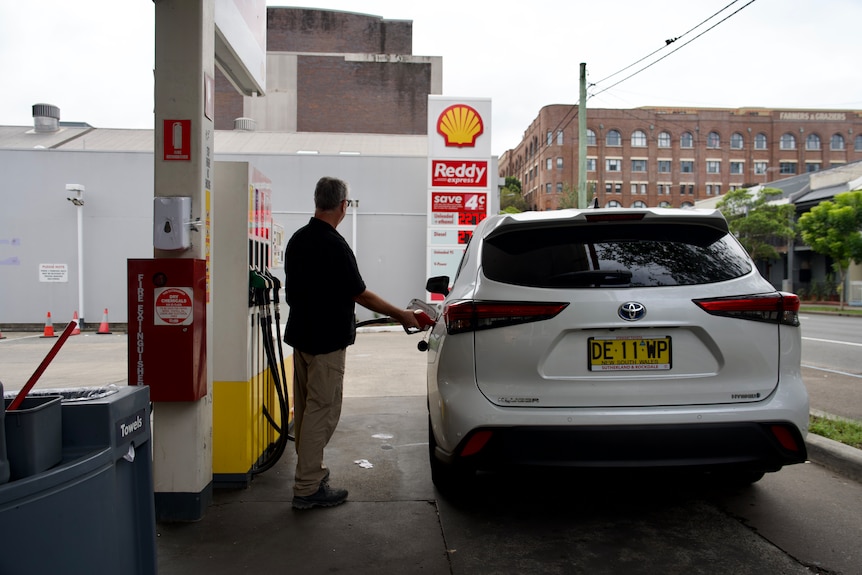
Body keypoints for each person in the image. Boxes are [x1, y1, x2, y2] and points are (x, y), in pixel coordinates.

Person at [284, 176, 420, 510]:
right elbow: (359, 293)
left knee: (305, 410)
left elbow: (292, 294)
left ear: (318, 201)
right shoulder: (334, 244)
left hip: (301, 338)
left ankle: (311, 472)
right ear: (343, 205)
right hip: (326, 342)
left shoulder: (298, 240)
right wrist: (401, 314)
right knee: (323, 411)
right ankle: (307, 488)